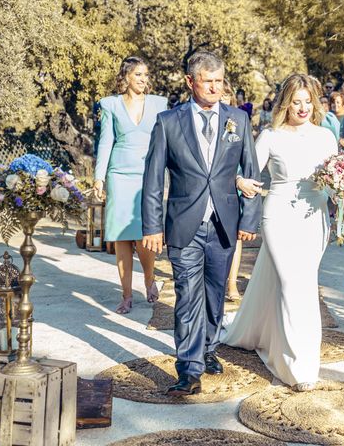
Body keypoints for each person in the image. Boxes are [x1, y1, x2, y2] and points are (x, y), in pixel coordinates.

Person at [141, 51, 262, 396]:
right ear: (190, 82)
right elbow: (153, 180)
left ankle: (208, 348)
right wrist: (152, 227)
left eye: (219, 81)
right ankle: (189, 368)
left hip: (223, 223)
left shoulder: (238, 120)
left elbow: (249, 173)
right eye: (207, 80)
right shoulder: (168, 122)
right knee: (186, 295)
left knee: (214, 295)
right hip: (183, 225)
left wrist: (249, 217)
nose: (214, 87)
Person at [223, 74, 338, 392]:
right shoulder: (271, 136)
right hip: (279, 215)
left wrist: (343, 187)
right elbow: (241, 170)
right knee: (291, 284)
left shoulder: (326, 137)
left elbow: (335, 176)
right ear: (286, 103)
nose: (303, 107)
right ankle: (298, 366)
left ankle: (274, 338)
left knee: (304, 283)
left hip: (315, 216)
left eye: (308, 101)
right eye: (296, 101)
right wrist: (241, 182)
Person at [94, 56, 167, 314]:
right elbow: (105, 142)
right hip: (119, 175)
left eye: (146, 74)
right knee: (122, 238)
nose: (143, 79)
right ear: (125, 77)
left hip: (148, 176)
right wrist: (99, 178)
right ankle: (126, 295)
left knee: (144, 234)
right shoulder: (111, 105)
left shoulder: (159, 104)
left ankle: (149, 279)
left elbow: (165, 141)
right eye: (138, 74)